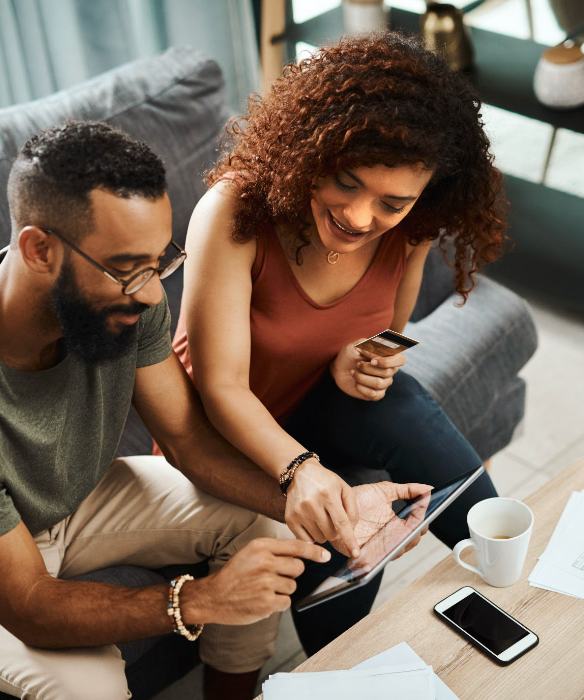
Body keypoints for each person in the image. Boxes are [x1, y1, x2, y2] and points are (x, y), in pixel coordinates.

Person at [0, 120, 423, 700]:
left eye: (161, 262)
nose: (156, 294)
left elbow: (190, 443)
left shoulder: (131, 288)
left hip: (71, 498)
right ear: (38, 249)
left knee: (265, 520)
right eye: (130, 269)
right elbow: (27, 604)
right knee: (91, 685)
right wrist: (199, 599)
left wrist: (336, 507)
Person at [173, 32, 507, 654]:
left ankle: (514, 575)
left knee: (399, 402)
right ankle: (342, 662)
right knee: (340, 518)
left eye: (391, 202)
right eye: (346, 182)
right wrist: (300, 470)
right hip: (231, 433)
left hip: (319, 406)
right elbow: (219, 387)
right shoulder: (237, 210)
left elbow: (387, 332)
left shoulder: (414, 225)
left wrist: (362, 359)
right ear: (312, 150)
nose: (358, 217)